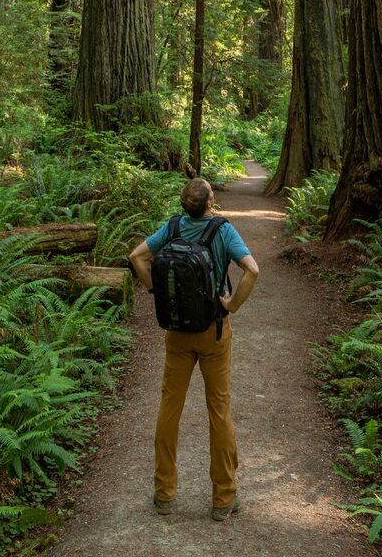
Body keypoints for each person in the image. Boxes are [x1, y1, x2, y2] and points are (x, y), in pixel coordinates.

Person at [128, 176, 260, 521]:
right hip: (213, 332)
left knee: (170, 406)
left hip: (177, 333)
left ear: (185, 205)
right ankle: (223, 499)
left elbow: (137, 257)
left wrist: (159, 293)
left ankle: (164, 493)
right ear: (209, 203)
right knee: (218, 409)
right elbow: (252, 270)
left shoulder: (172, 227)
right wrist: (231, 306)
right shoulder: (222, 230)